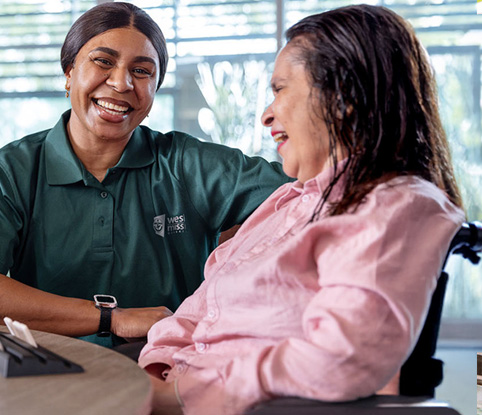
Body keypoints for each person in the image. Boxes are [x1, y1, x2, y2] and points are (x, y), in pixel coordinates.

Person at [139, 5, 466, 414]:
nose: (266, 114)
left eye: (279, 89)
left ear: (344, 96)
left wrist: (186, 394)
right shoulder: (287, 201)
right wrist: (152, 377)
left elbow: (340, 358)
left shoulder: (396, 205)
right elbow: (198, 311)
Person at [0, 2, 290, 346]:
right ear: (69, 72)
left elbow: (316, 190)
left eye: (142, 71)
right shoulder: (10, 170)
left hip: (165, 373)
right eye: (103, 61)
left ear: (156, 88)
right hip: (46, 375)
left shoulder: (188, 163)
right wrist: (111, 319)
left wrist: (240, 253)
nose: (121, 82)